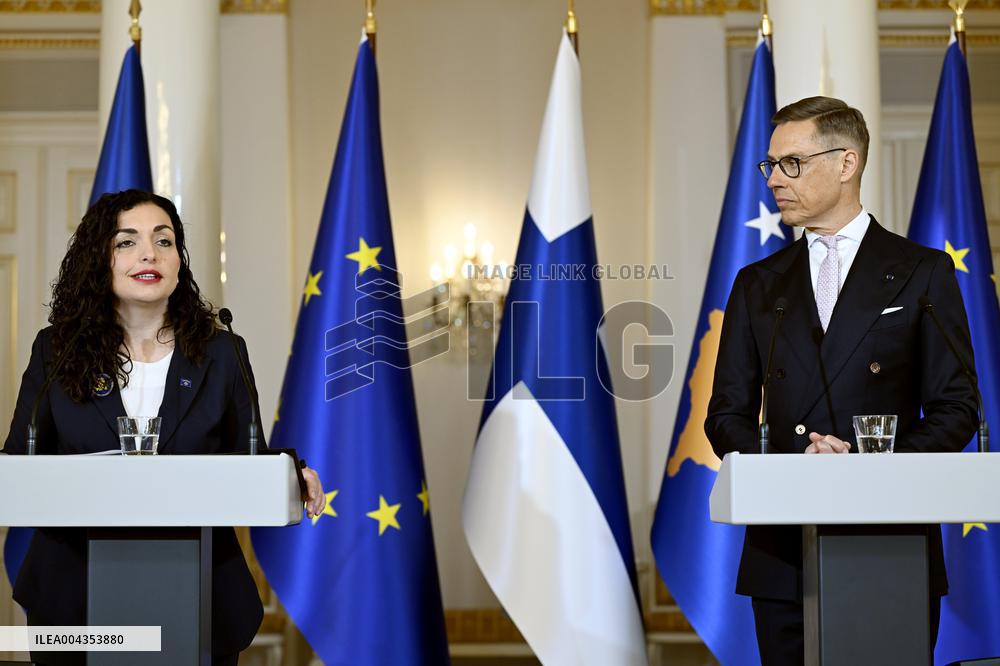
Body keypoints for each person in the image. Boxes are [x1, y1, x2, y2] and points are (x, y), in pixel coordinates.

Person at [705, 97, 978, 665]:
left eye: (792, 163)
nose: (774, 180)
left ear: (846, 163)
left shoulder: (922, 271)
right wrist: (791, 468)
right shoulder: (757, 283)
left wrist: (867, 465)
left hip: (890, 543)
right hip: (783, 549)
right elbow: (726, 414)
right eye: (771, 165)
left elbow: (956, 408)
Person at [2, 189, 326, 666]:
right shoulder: (57, 350)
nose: (149, 254)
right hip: (73, 593)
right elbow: (20, 462)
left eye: (164, 240)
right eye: (127, 241)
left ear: (179, 261)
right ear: (100, 258)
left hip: (200, 592)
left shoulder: (222, 352)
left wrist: (291, 474)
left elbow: (249, 458)